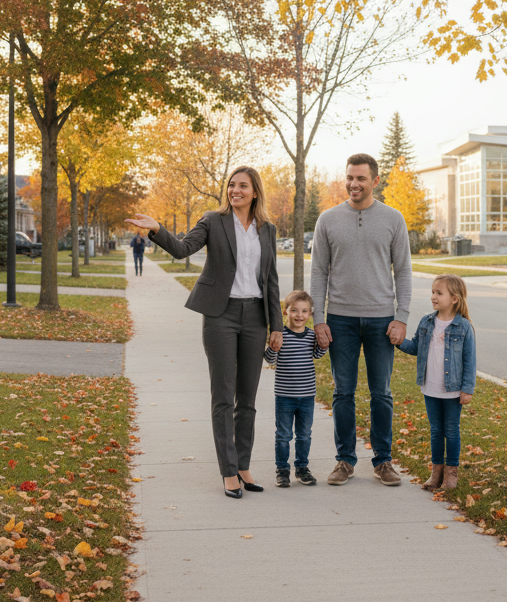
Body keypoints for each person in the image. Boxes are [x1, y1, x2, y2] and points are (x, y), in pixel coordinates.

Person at [125, 166, 281, 499]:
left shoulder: (268, 230)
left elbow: (271, 280)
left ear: (255, 192)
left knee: (248, 400)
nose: (234, 190)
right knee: (224, 396)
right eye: (231, 185)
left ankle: (243, 465)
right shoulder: (213, 220)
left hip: (255, 317)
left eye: (242, 186)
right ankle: (228, 471)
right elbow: (182, 249)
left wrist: (277, 326)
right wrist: (157, 230)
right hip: (220, 315)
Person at [311, 153, 412, 487]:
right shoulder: (327, 219)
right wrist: (318, 320)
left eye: (361, 179)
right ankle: (345, 460)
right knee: (343, 393)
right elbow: (318, 272)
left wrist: (401, 317)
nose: (354, 184)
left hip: (382, 320)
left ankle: (383, 461)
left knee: (381, 392)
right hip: (340, 320)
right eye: (350, 178)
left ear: (375, 181)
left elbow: (404, 272)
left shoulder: (393, 219)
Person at [397, 274, 476, 492]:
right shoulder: (426, 322)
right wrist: (398, 341)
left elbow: (470, 360)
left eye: (439, 293)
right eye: (433, 292)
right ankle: (436, 472)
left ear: (454, 299)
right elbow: (415, 348)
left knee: (451, 431)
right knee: (435, 430)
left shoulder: (463, 327)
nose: (433, 296)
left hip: (452, 390)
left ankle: (451, 473)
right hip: (430, 387)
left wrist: (467, 389)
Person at [263, 290, 327, 488]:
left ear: (310, 314)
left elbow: (317, 355)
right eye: (295, 310)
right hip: (285, 396)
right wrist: (273, 348)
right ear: (285, 312)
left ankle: (302, 468)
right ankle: (282, 470)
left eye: (304, 311)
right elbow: (270, 360)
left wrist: (323, 345)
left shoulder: (310, 335)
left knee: (304, 434)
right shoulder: (280, 335)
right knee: (283, 435)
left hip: (307, 396)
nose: (299, 315)